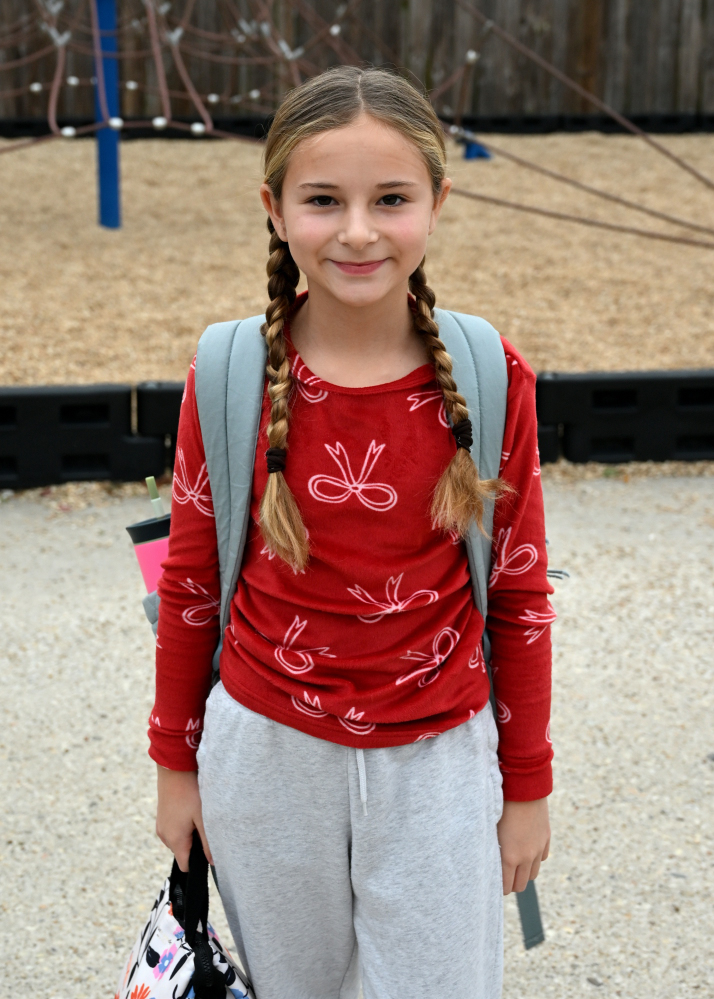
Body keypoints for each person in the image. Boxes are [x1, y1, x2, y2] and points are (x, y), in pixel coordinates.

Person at [149, 65, 553, 999]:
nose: (359, 231)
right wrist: (176, 765)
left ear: (438, 203)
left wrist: (527, 783)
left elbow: (521, 593)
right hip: (267, 762)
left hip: (440, 764)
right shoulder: (228, 372)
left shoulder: (492, 375)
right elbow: (191, 582)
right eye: (324, 199)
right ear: (275, 208)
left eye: (392, 199)